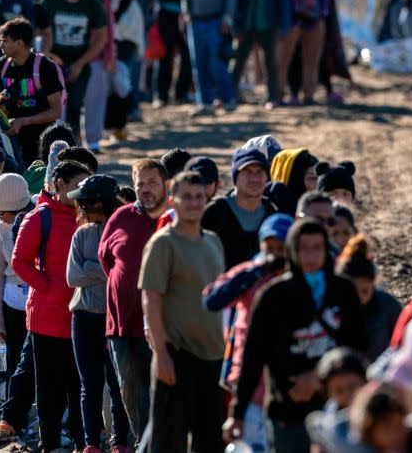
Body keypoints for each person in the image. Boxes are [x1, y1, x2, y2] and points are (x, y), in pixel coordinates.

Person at [225, 218, 366, 452]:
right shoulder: (272, 296)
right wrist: (237, 414)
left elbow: (358, 346)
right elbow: (253, 357)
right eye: (303, 248)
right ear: (292, 250)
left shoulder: (343, 290)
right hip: (287, 416)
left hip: (338, 415)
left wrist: (317, 378)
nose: (310, 257)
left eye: (317, 248)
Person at [138, 171, 225, 452]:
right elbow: (151, 299)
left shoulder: (213, 241)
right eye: (186, 196)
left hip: (213, 358)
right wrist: (161, 355)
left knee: (210, 442)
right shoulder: (163, 243)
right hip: (176, 358)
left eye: (199, 196)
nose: (194, 202)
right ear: (172, 200)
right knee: (168, 443)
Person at [11, 160, 91, 452]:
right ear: (60, 185)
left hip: (82, 315)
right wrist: (45, 285)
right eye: (78, 185)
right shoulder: (39, 218)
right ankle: (51, 441)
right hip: (47, 317)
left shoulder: (89, 217)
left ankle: (86, 441)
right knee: (48, 388)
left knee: (81, 386)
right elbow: (18, 261)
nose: (83, 190)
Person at [202, 212, 293, 451]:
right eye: (269, 246)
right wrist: (256, 271)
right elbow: (212, 300)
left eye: (281, 247)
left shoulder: (300, 279)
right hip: (249, 384)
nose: (275, 253)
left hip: (288, 386)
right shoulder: (250, 272)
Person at [98, 158, 169, 445]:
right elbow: (106, 259)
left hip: (165, 325)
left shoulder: (174, 219)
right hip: (122, 324)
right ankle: (144, 444)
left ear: (166, 184)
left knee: (163, 392)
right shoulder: (121, 216)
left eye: (152, 182)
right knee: (129, 390)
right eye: (140, 183)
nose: (146, 189)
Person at [63, 174, 131, 452]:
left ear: (100, 204)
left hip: (114, 318)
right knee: (89, 385)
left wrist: (93, 267)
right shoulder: (82, 233)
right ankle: (91, 442)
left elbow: (124, 273)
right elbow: (72, 277)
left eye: (85, 203)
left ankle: (119, 442)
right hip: (83, 318)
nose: (79, 208)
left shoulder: (122, 231)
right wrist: (103, 268)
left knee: (117, 385)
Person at [0, 173, 36, 447]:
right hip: (13, 305)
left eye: (1, 213)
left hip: (40, 303)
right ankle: (18, 417)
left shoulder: (38, 219)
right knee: (16, 365)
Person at [38, 0, 108, 140]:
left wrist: (81, 63)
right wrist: (47, 54)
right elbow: (38, 29)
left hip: (79, 61)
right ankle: (50, 146)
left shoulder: (92, 2)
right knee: (51, 107)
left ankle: (74, 147)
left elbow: (102, 36)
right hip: (52, 61)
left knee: (75, 105)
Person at [0, 18, 65, 165]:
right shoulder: (2, 65)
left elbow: (56, 111)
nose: (0, 45)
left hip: (40, 139)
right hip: (8, 139)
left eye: (5, 41)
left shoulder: (45, 67)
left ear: (19, 43)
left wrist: (25, 121)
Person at [182, 0, 236, 116]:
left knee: (218, 62)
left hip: (216, 21)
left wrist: (227, 18)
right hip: (196, 22)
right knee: (198, 63)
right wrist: (186, 13)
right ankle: (204, 101)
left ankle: (227, 99)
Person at [233, 0, 290, 109]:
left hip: (268, 28)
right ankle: (230, 94)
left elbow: (284, 6)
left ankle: (273, 96)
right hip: (247, 27)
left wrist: (283, 29)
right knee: (239, 61)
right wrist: (236, 27)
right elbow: (235, 4)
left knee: (270, 64)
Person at [202, 145, 277, 270]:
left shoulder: (271, 212)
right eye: (248, 172)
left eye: (259, 172)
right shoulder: (215, 212)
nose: (254, 178)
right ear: (235, 177)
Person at [276, 0, 329, 105]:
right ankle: (278, 94)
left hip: (313, 20)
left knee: (311, 60)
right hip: (291, 21)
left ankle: (309, 95)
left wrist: (320, 13)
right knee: (283, 59)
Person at [335, 234, 401, 362]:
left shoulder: (388, 306)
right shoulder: (332, 308)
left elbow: (402, 343)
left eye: (364, 291)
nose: (358, 297)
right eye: (352, 292)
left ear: (373, 283)